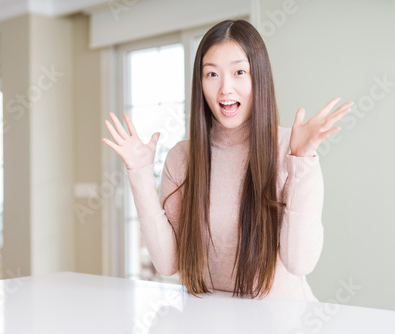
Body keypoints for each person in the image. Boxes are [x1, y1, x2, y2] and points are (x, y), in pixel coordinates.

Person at [102, 19, 353, 301]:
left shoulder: (291, 148)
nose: (225, 89)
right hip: (213, 318)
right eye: (212, 75)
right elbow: (167, 263)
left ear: (258, 76)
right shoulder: (182, 157)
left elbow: (299, 262)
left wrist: (302, 161)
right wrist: (140, 173)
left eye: (239, 72)